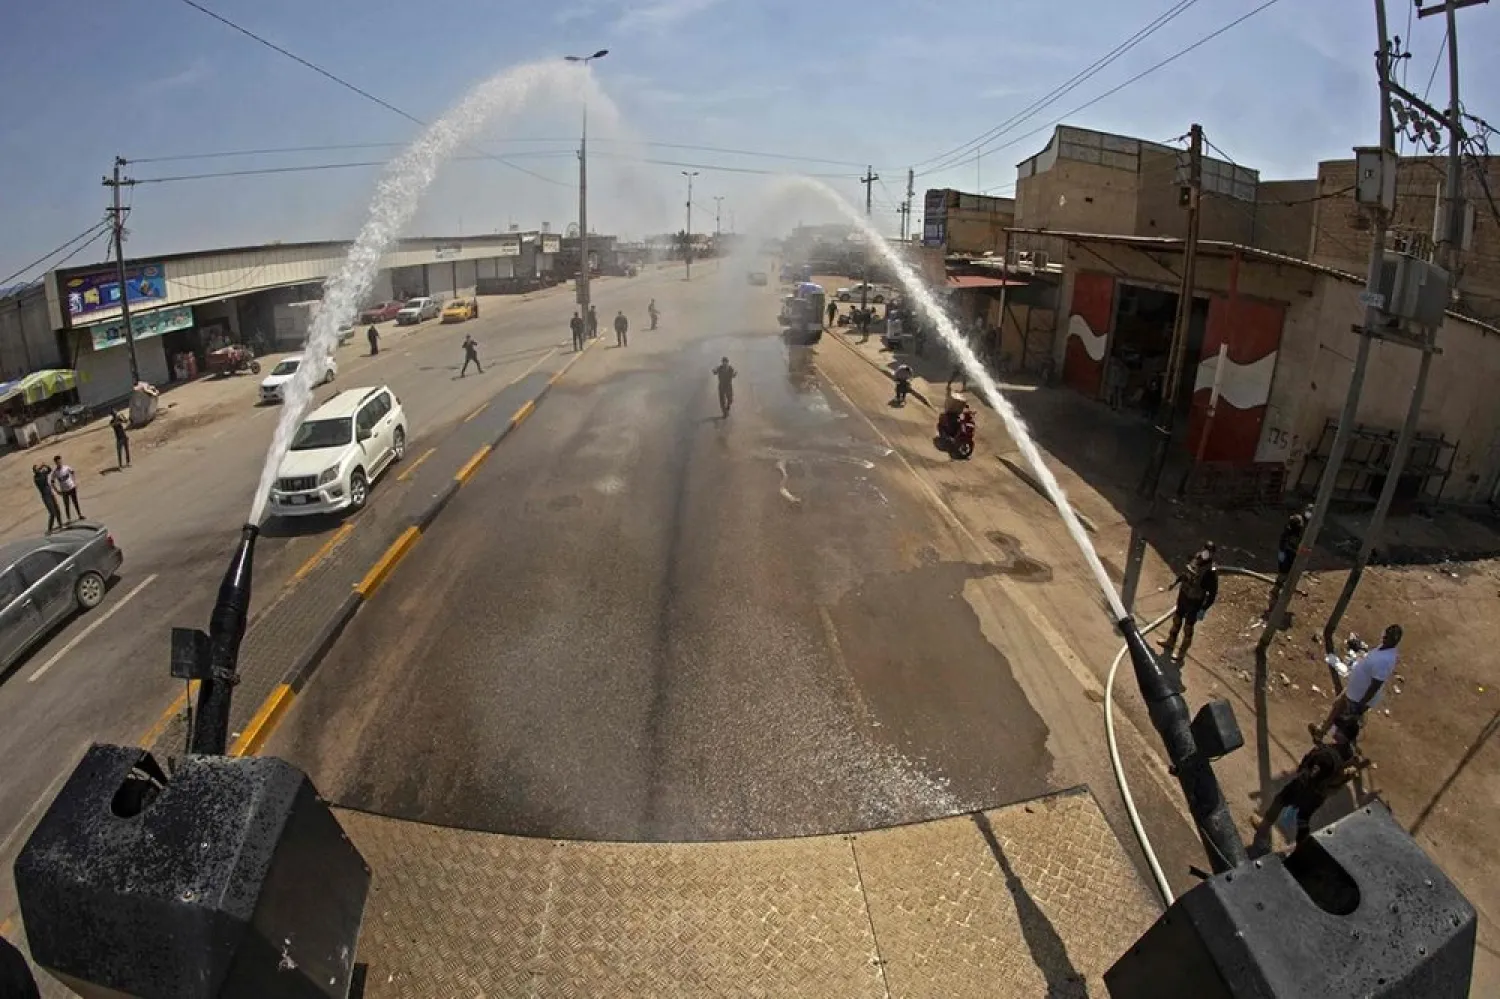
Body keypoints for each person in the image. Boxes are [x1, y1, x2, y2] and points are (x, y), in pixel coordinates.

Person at [1253, 712, 1368, 852]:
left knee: (1280, 800)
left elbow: (1312, 775)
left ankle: (1263, 832)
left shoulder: (1327, 755)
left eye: (1339, 729)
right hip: (1319, 796)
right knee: (1302, 819)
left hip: (1305, 788)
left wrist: (1299, 781)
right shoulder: (1348, 754)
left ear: (1344, 735)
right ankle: (1301, 849)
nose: (1335, 730)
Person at [1311, 624, 1402, 743]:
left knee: (1345, 724)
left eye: (1388, 637)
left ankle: (1341, 749)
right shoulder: (1383, 648)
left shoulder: (1385, 660)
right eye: (1386, 634)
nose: (1384, 638)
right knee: (1337, 706)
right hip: (1353, 691)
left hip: (1359, 698)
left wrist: (1361, 703)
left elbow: (1376, 685)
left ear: (1394, 641)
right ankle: (1321, 732)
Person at [1159, 543, 1219, 663]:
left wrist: (1204, 609)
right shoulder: (1196, 559)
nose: (1206, 553)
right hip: (1184, 595)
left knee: (1188, 628)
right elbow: (1185, 574)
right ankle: (1170, 641)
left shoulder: (1211, 572)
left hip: (1195, 601)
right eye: (1205, 549)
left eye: (1209, 551)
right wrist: (1175, 583)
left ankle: (1181, 654)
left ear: (1212, 554)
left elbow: (1212, 593)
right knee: (1177, 619)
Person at [1266, 504, 1314, 615]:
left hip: (1296, 553)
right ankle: (1275, 591)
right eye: (1309, 511)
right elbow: (1285, 536)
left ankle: (1282, 591)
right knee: (1283, 573)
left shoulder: (1309, 524)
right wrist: (1282, 549)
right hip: (1288, 551)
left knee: (1291, 574)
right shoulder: (1296, 520)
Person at [51, 455, 82, 523]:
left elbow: (73, 472)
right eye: (57, 462)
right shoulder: (55, 472)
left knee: (75, 502)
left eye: (60, 461)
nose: (59, 463)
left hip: (71, 487)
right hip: (64, 490)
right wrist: (57, 491)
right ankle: (69, 519)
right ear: (55, 463)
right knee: (66, 504)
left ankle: (80, 515)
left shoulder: (66, 467)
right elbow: (52, 482)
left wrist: (74, 482)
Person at [32, 462, 62, 533]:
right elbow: (43, 478)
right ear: (35, 471)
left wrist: (45, 465)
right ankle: (49, 529)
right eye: (36, 469)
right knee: (52, 513)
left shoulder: (42, 473)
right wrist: (41, 467)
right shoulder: (36, 478)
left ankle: (60, 524)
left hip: (50, 493)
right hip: (45, 496)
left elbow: (49, 469)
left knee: (57, 509)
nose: (38, 470)